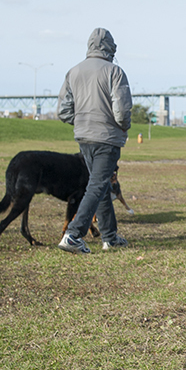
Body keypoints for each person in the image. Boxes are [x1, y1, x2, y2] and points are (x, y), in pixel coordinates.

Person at [57, 27, 132, 254]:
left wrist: (82, 122)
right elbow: (122, 110)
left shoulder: (73, 71)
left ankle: (109, 236)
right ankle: (73, 234)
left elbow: (63, 111)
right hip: (107, 139)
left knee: (98, 185)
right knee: (98, 185)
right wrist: (122, 126)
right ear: (111, 48)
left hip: (84, 137)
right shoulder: (115, 72)